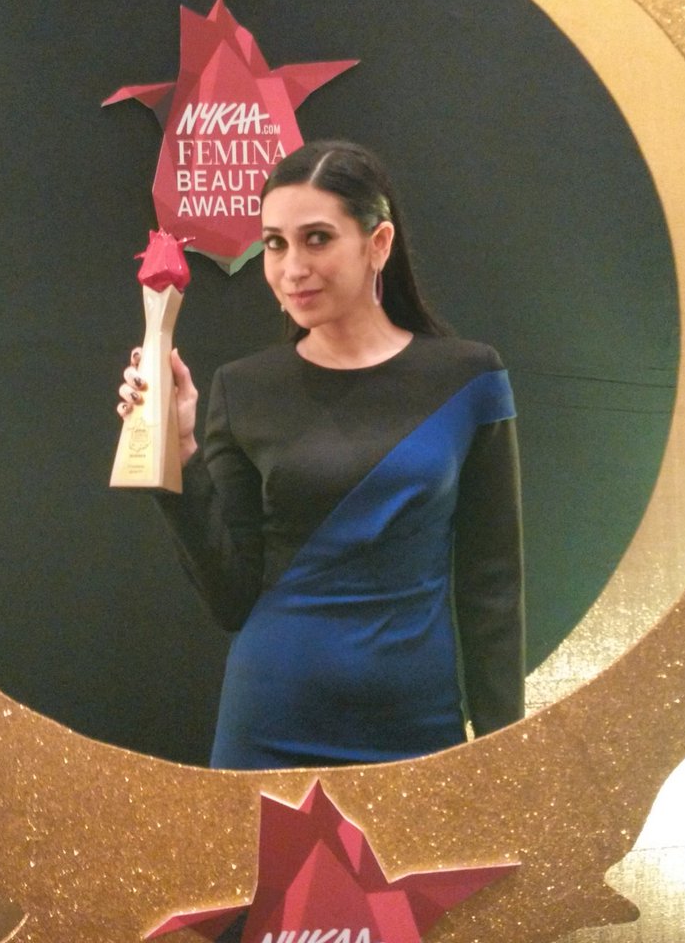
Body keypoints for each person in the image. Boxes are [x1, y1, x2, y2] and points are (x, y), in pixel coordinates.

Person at [118, 140, 524, 769]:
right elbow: (229, 597)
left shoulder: (469, 378)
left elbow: (492, 584)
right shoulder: (242, 388)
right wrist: (179, 451)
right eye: (274, 244)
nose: (292, 268)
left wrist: (503, 753)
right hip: (268, 723)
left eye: (316, 239)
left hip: (415, 729)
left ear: (377, 244)